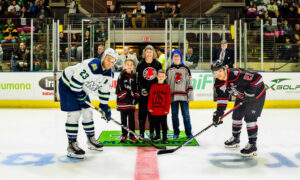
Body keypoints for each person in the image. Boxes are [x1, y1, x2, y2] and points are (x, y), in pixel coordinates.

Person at [58, 48, 118, 159]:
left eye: (113, 61)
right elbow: (75, 83)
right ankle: (71, 145)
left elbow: (104, 91)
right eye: (109, 59)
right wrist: (81, 96)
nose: (111, 63)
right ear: (103, 57)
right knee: (74, 114)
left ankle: (91, 140)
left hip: (81, 89)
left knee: (88, 113)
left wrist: (104, 106)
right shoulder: (92, 66)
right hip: (67, 85)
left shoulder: (109, 74)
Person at [211, 60, 266, 157]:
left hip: (256, 96)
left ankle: (252, 145)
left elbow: (258, 78)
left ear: (225, 69)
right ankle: (235, 138)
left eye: (219, 71)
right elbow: (222, 99)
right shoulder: (219, 82)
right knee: (236, 115)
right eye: (215, 72)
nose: (218, 74)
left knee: (250, 119)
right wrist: (219, 113)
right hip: (242, 96)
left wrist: (250, 93)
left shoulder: (236, 74)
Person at [136, 45, 162, 140]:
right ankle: (141, 133)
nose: (149, 54)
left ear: (153, 53)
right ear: (144, 53)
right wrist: (141, 89)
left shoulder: (157, 64)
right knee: (142, 115)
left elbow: (160, 78)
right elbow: (138, 79)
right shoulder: (140, 64)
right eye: (147, 52)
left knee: (153, 115)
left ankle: (152, 133)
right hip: (143, 94)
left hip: (154, 94)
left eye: (150, 52)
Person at [166, 50, 194, 139]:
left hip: (184, 96)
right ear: (172, 58)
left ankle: (188, 132)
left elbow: (189, 83)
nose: (176, 58)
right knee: (174, 115)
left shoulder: (186, 69)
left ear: (181, 57)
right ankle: (176, 132)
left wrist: (190, 96)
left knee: (186, 115)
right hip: (173, 96)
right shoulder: (169, 69)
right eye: (174, 56)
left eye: (178, 56)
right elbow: (167, 84)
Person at [116, 58, 140, 143]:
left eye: (131, 64)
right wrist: (128, 100)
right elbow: (118, 90)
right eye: (128, 64)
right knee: (123, 120)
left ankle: (132, 135)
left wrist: (136, 98)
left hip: (131, 103)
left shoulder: (135, 76)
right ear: (125, 66)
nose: (129, 66)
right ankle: (124, 135)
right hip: (123, 103)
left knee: (132, 120)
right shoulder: (121, 75)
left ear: (133, 66)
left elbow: (137, 88)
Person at [148, 69, 171, 144]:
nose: (161, 77)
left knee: (164, 125)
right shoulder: (153, 86)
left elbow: (168, 99)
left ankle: (165, 137)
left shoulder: (167, 87)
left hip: (163, 110)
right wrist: (150, 107)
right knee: (156, 124)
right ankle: (158, 135)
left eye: (162, 76)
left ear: (165, 77)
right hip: (155, 110)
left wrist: (167, 108)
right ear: (157, 76)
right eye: (160, 76)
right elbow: (150, 97)